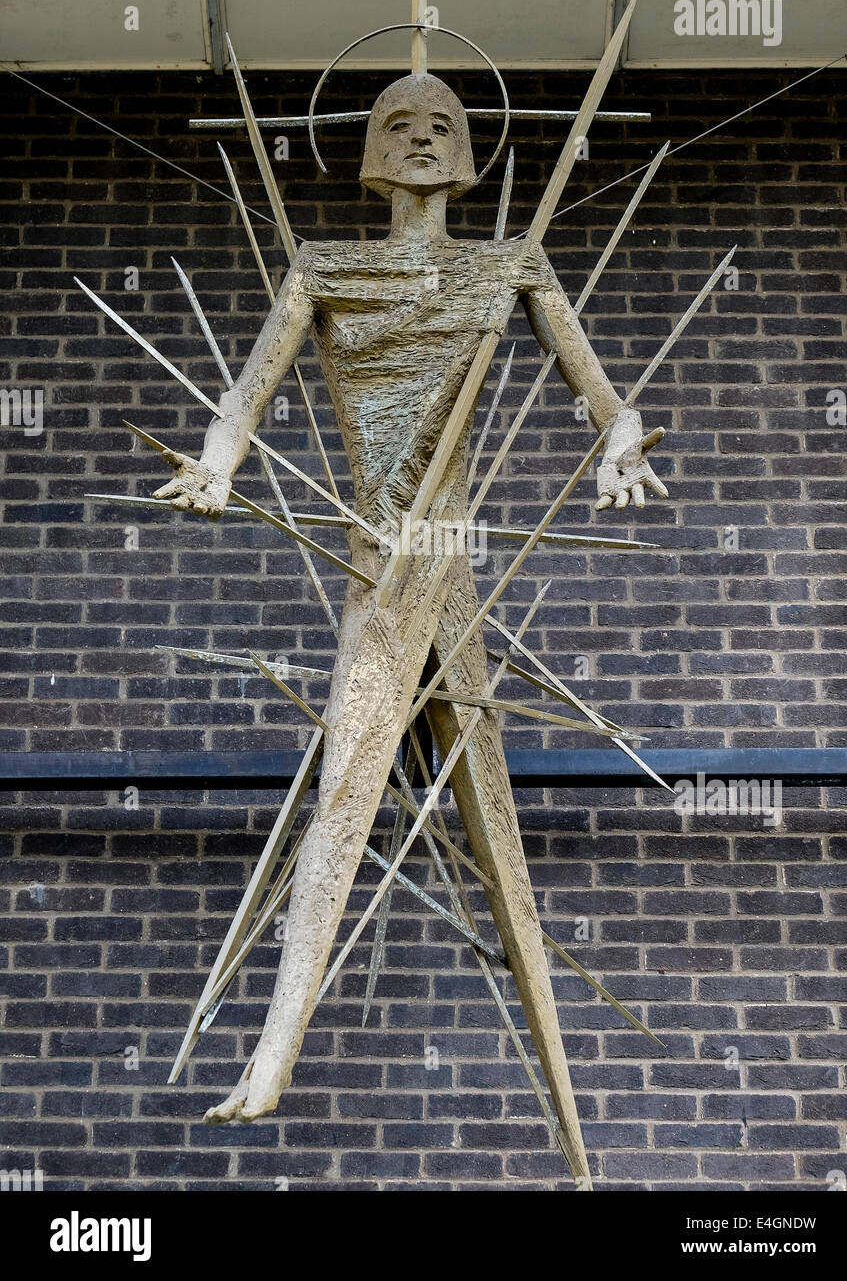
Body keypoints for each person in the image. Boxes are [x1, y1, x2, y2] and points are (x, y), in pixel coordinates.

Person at [153, 73, 667, 1172]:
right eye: (400, 124)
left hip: (446, 555)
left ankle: (547, 1130)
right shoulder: (324, 267)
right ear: (370, 153)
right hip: (380, 552)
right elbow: (248, 390)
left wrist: (620, 437)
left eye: (444, 124)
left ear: (472, 150)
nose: (423, 138)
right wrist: (214, 463)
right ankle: (279, 1045)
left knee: (453, 811)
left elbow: (596, 387)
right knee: (350, 786)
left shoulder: (509, 264)